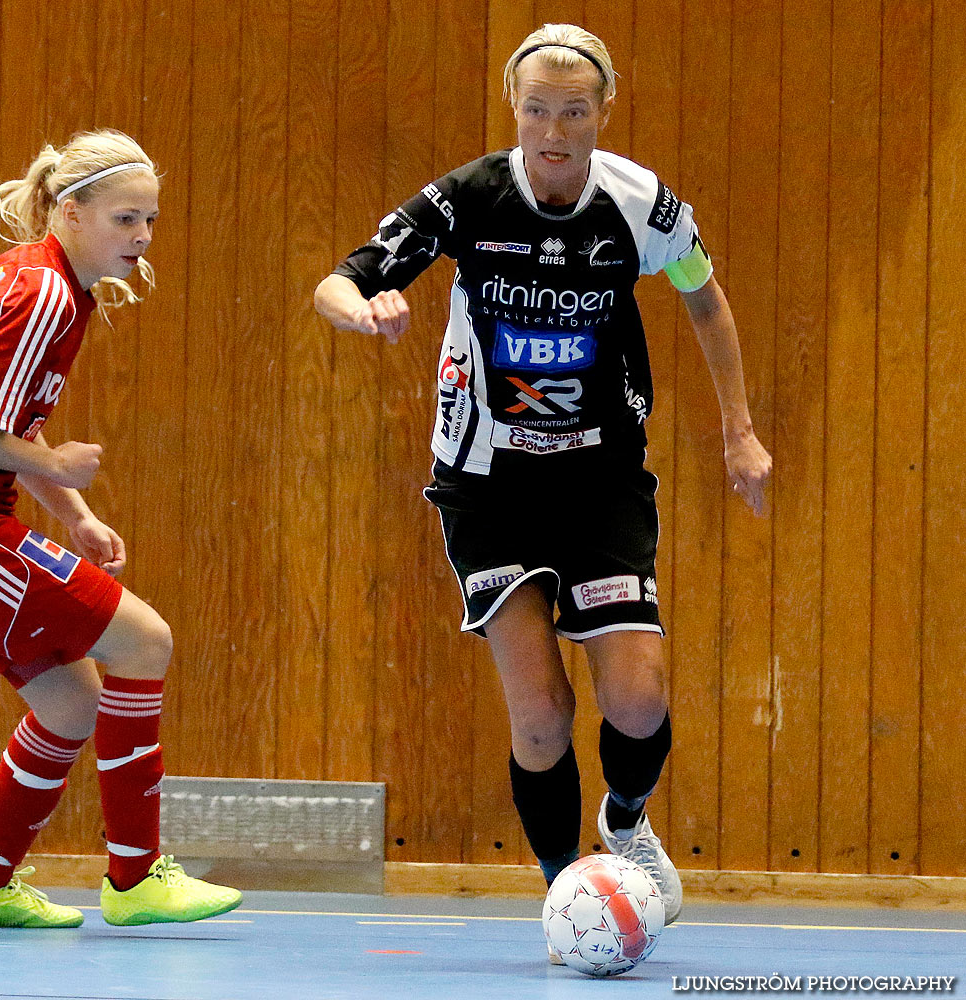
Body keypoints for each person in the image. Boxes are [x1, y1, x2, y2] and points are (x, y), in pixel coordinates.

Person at [315, 23, 771, 955]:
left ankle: (627, 819)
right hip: (488, 484)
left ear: (604, 111)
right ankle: (569, 889)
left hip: (600, 478)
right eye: (535, 110)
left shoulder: (640, 205)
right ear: (513, 111)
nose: (553, 129)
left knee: (637, 701)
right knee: (540, 709)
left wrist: (739, 430)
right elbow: (336, 279)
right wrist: (365, 311)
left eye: (573, 110)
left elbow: (702, 297)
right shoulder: (469, 198)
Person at [0, 129, 242, 928]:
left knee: (71, 704)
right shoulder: (41, 292)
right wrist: (64, 469)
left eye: (150, 220)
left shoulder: (55, 286)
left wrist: (75, 512)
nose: (141, 237)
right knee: (144, 640)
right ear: (69, 212)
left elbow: (7, 424)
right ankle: (137, 879)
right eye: (124, 219)